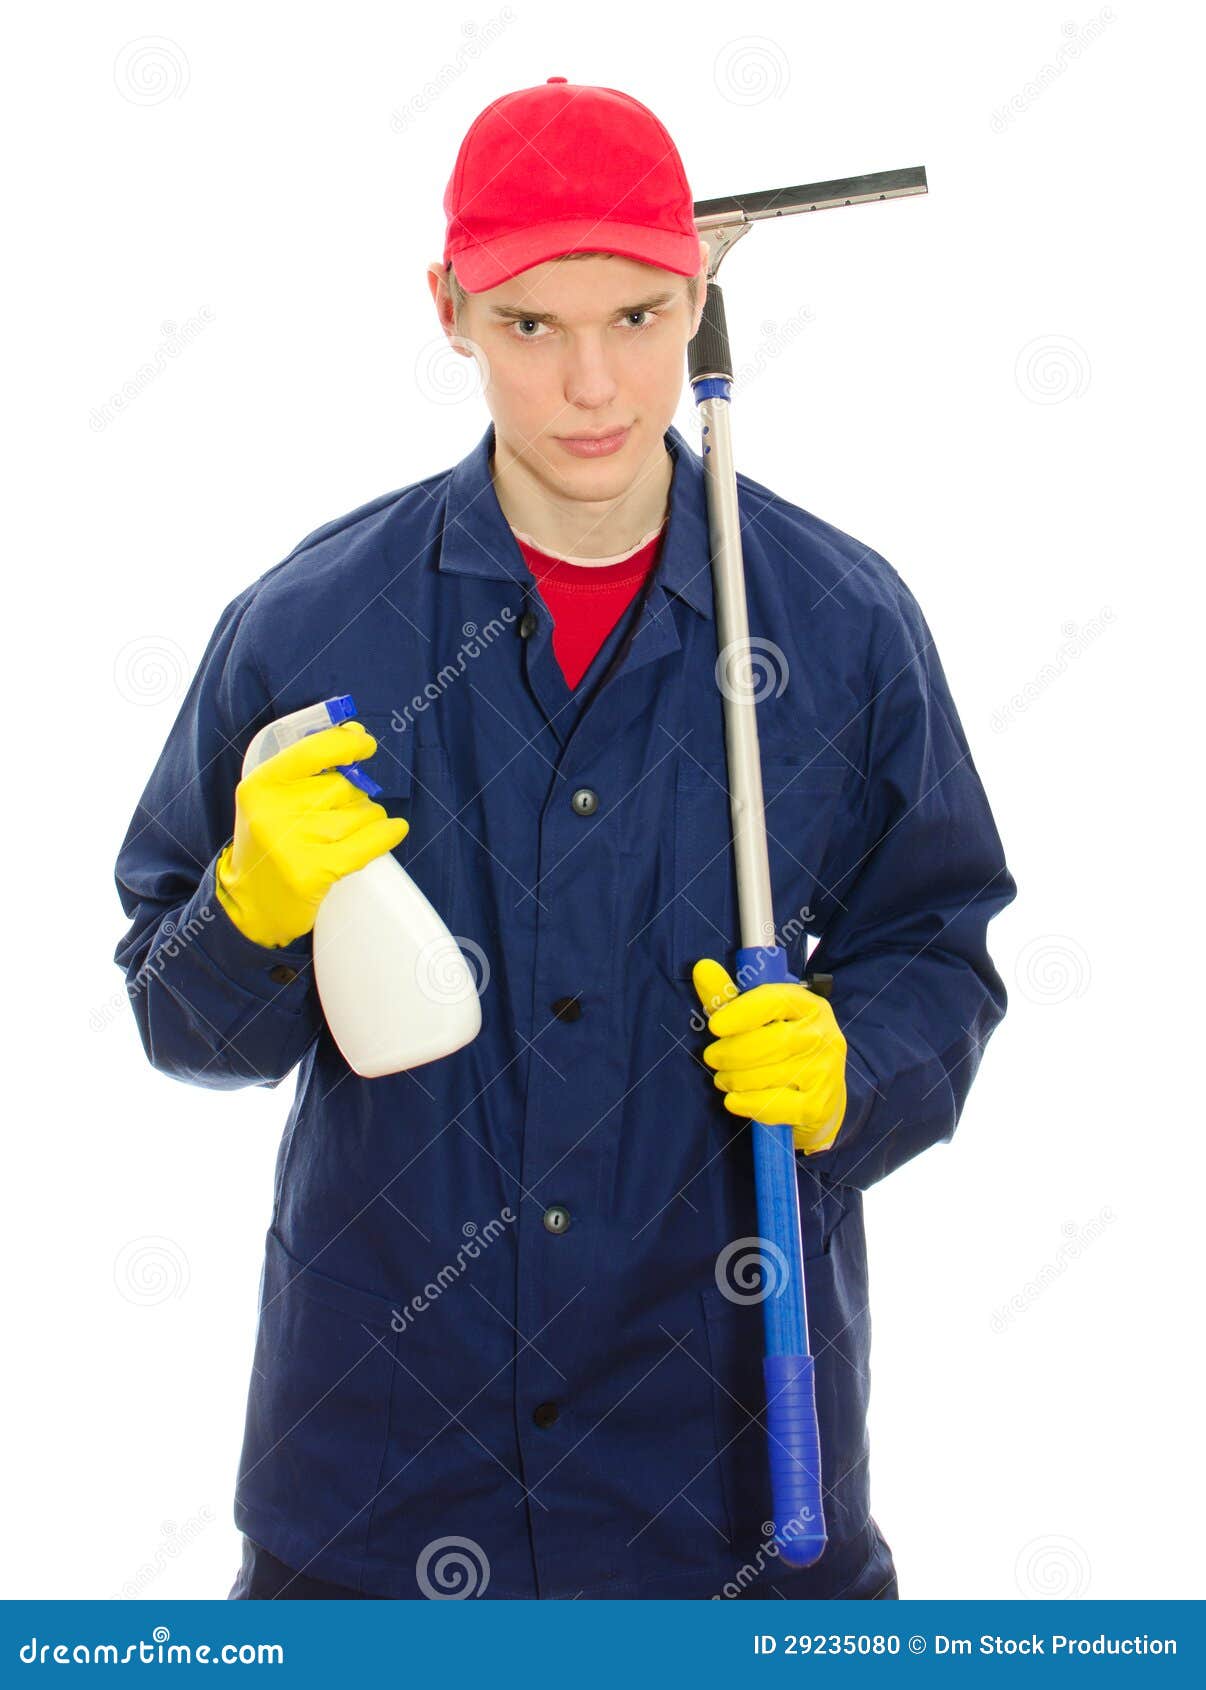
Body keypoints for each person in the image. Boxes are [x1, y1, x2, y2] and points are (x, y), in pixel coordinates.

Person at [112, 77, 1016, 1602]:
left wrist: (853, 1064)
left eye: (640, 319)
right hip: (378, 1492)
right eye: (532, 325)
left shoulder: (839, 624)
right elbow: (177, 1013)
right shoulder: (309, 624)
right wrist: (247, 903)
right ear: (449, 307)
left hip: (737, 1483)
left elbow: (936, 938)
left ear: (698, 299)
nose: (592, 385)